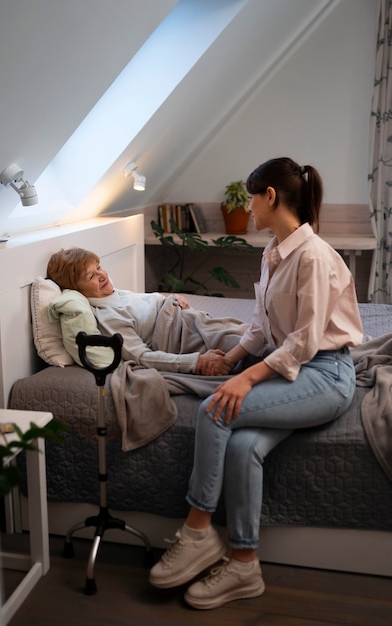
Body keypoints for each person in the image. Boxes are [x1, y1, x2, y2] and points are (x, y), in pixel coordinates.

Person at [149, 157, 364, 610]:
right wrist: (231, 358)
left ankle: (198, 533)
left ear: (271, 197)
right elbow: (264, 327)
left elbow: (304, 342)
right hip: (294, 370)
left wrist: (246, 378)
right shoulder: (273, 251)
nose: (247, 207)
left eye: (251, 197)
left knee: (215, 410)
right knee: (245, 446)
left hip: (326, 375)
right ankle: (245, 564)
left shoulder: (315, 256)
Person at [46, 247, 246, 376]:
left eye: (99, 267)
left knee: (257, 334)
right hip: (184, 337)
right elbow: (142, 356)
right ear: (77, 290)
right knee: (256, 346)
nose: (101, 275)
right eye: (91, 276)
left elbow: (143, 304)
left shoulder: (114, 294)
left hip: (194, 321)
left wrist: (170, 299)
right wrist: (196, 362)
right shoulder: (108, 315)